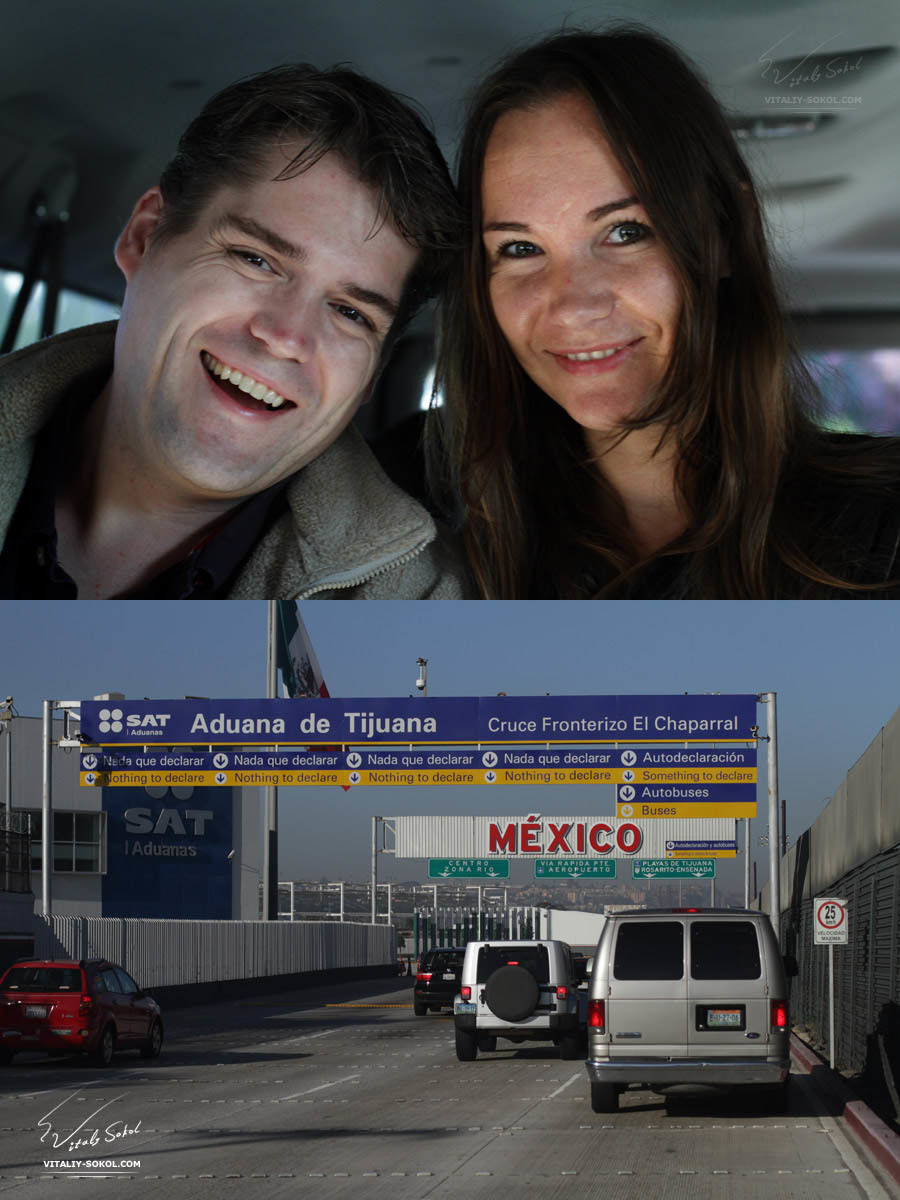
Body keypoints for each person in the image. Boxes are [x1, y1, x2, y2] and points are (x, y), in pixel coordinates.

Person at [432, 27, 900, 598]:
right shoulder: (433, 551)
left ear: (726, 231)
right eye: (520, 249)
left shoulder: (885, 526)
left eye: (625, 232)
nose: (575, 307)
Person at [0, 64, 467, 599]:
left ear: (370, 378)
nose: (287, 335)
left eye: (351, 313)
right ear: (145, 237)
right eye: (256, 259)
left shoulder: (423, 616)